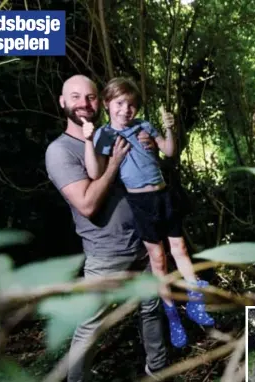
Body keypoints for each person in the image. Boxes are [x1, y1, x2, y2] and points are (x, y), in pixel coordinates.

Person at [45, 74, 167, 381]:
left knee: (151, 309)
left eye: (90, 97)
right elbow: (86, 204)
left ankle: (158, 371)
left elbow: (147, 175)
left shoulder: (114, 133)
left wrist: (149, 145)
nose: (84, 104)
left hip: (144, 240)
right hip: (107, 254)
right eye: (75, 97)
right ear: (63, 102)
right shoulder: (60, 151)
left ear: (101, 102)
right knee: (90, 325)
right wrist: (113, 165)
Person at [81, 77, 214, 349]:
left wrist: (168, 129)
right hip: (140, 202)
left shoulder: (143, 125)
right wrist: (89, 139)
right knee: (158, 260)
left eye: (131, 104)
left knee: (180, 250)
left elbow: (169, 151)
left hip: (163, 195)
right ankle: (172, 316)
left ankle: (196, 303)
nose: (125, 109)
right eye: (119, 103)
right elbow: (95, 173)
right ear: (107, 104)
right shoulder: (105, 134)